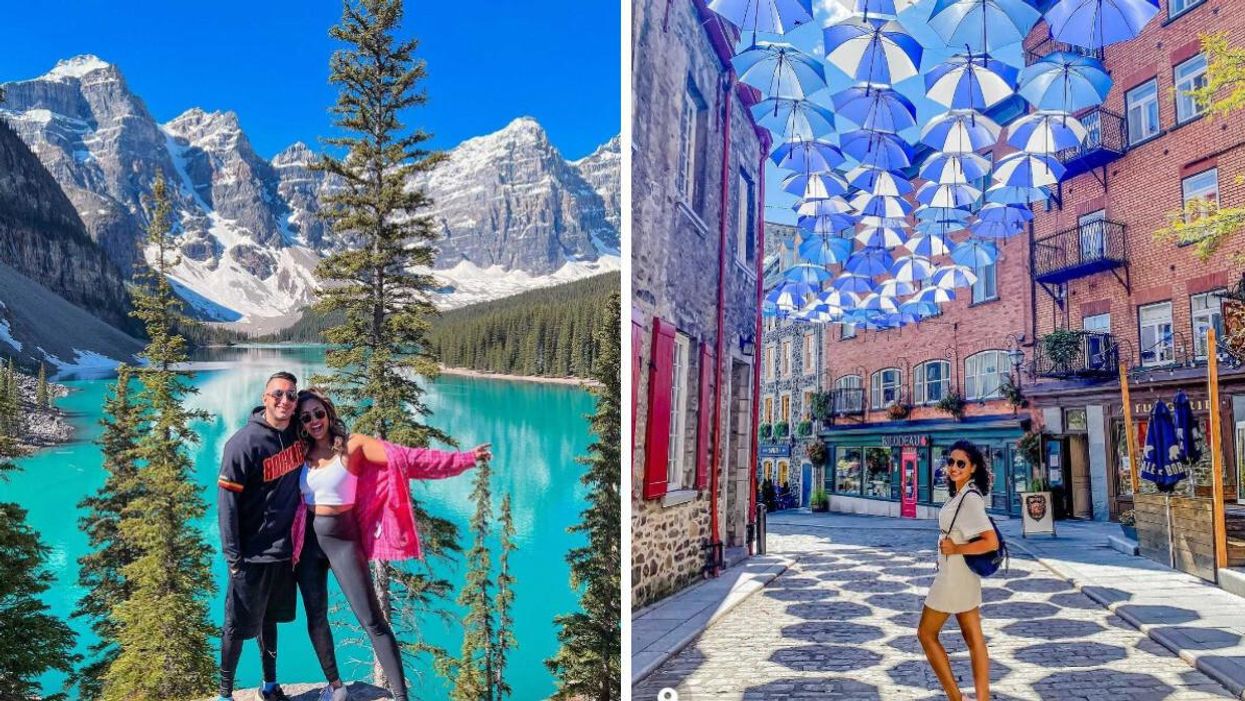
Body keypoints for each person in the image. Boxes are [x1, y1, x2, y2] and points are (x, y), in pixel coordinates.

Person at [292, 388, 491, 701]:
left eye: (318, 413)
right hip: (310, 544)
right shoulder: (299, 454)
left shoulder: (353, 446)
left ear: (329, 413)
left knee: (372, 621)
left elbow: (406, 459)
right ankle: (336, 688)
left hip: (343, 540)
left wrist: (463, 460)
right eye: (306, 417)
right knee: (316, 618)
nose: (314, 420)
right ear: (300, 424)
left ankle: (400, 697)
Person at [217, 371, 306, 701]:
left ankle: (269, 685)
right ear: (265, 398)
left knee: (269, 620)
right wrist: (233, 559)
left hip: (282, 553)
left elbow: (326, 425)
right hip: (250, 556)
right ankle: (225, 693)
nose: (285, 400)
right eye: (278, 394)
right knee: (237, 626)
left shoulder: (298, 435)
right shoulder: (243, 444)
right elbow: (226, 505)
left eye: (292, 396)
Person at [918, 439, 997, 701]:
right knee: (975, 639)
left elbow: (990, 541)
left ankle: (956, 697)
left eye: (960, 463)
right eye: (950, 461)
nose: (953, 467)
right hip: (961, 575)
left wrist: (955, 550)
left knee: (926, 634)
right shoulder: (961, 494)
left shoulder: (970, 499)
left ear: (973, 467)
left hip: (954, 577)